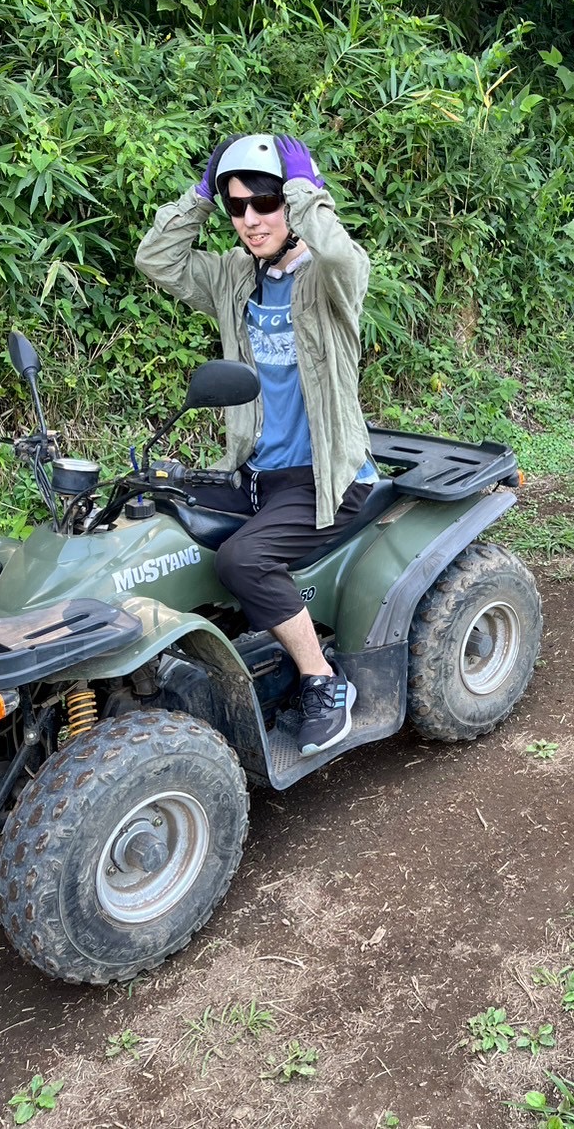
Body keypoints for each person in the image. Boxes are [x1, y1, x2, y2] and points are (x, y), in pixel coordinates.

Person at [136, 131, 373, 756]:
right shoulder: (234, 277)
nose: (250, 219)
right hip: (255, 472)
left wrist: (305, 192)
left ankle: (323, 679)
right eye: (237, 206)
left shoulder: (328, 280)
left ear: (290, 206)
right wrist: (200, 196)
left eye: (264, 203)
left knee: (241, 560)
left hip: (325, 479)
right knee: (157, 511)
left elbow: (347, 260)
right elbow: (156, 259)